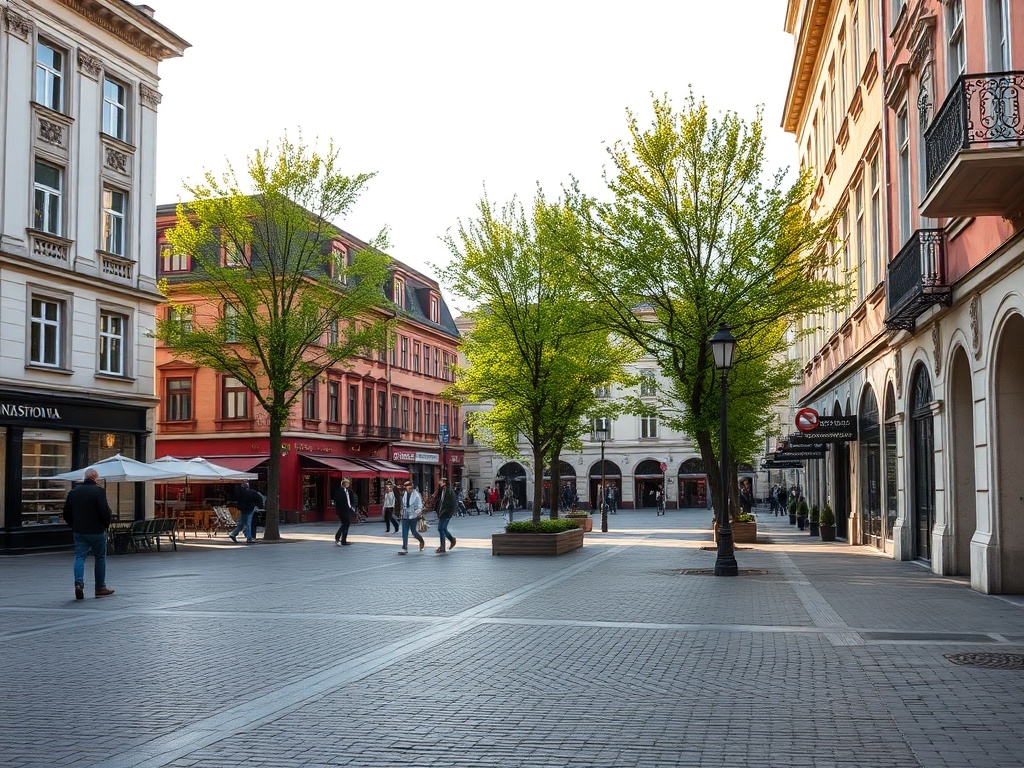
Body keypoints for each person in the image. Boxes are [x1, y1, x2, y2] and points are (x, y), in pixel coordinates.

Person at [63, 467, 114, 600]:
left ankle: (79, 584)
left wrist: (73, 525)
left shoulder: (73, 492)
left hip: (79, 531)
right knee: (100, 558)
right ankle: (100, 588)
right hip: (96, 531)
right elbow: (104, 511)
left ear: (85, 477)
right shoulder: (98, 492)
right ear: (95, 478)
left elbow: (66, 513)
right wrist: (105, 524)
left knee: (79, 557)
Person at [397, 480, 425, 555]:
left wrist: (416, 513)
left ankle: (421, 540)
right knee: (404, 533)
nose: (408, 488)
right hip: (405, 516)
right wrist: (401, 512)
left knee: (414, 532)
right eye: (407, 487)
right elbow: (403, 505)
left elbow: (420, 507)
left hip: (413, 516)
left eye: (409, 487)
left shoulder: (416, 495)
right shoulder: (405, 494)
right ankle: (405, 548)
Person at [433, 477, 458, 554]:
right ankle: (445, 545)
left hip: (446, 513)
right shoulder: (442, 491)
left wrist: (447, 511)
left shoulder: (449, 491)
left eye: (441, 481)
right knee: (442, 529)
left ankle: (449, 542)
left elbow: (452, 503)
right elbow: (440, 502)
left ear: (444, 483)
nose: (439, 482)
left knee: (441, 528)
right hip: (442, 513)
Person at [333, 477, 357, 546]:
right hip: (343, 510)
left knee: (345, 524)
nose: (348, 484)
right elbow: (338, 501)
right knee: (346, 524)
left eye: (348, 483)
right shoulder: (340, 491)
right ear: (344, 483)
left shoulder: (347, 491)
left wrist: (351, 508)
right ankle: (341, 539)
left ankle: (341, 538)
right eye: (347, 483)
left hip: (348, 510)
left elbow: (350, 500)